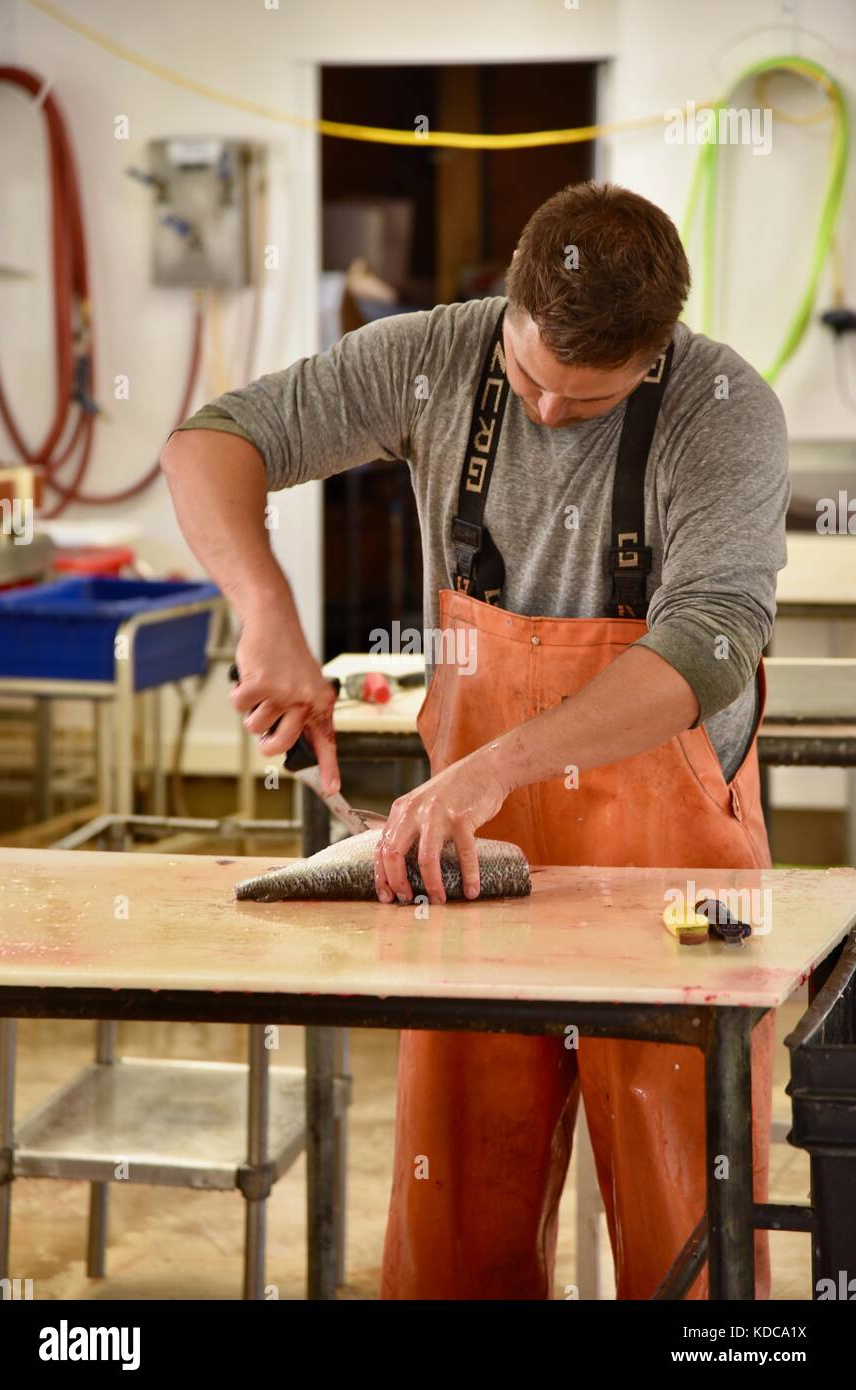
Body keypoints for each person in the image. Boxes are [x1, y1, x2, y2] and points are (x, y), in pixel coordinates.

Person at [160, 181, 789, 1300]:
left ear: (654, 353)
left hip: (668, 860)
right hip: (465, 860)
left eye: (583, 402)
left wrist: (497, 762)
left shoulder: (724, 404)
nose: (547, 414)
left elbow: (710, 643)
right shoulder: (434, 356)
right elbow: (214, 440)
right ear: (511, 297)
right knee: (454, 1196)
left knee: (686, 1200)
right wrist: (264, 609)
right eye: (532, 378)